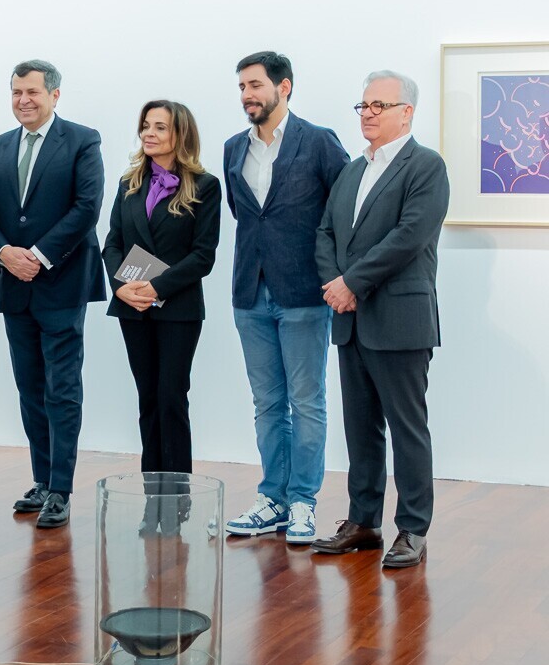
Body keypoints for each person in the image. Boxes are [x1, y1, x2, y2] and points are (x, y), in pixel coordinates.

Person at [313, 71, 449, 568]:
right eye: (363, 105)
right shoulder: (353, 170)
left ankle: (412, 528)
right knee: (360, 428)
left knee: (407, 429)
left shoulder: (426, 166)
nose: (367, 113)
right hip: (351, 320)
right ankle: (364, 522)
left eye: (379, 105)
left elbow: (409, 237)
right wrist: (335, 284)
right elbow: (325, 233)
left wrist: (352, 283)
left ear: (406, 112)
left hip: (399, 319)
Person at [222, 51, 349, 544]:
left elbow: (342, 211)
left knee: (307, 401)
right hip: (250, 293)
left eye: (255, 85)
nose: (247, 95)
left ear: (284, 87)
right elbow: (244, 215)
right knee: (267, 403)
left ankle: (302, 502)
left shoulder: (318, 142)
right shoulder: (234, 148)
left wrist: (339, 275)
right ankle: (272, 498)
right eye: (242, 87)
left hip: (304, 293)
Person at [0, 59, 106, 529]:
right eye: (16, 92)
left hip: (62, 282)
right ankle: (42, 479)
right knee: (30, 387)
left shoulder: (83, 140)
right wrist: (4, 253)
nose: (23, 100)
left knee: (61, 389)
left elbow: (87, 207)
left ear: (54, 95)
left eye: (32, 92)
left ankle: (62, 489)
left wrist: (39, 255)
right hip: (14, 284)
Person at [102, 100, 221, 481]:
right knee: (148, 398)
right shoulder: (129, 183)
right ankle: (151, 488)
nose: (148, 134)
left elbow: (203, 256)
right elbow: (112, 244)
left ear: (180, 134)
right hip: (132, 307)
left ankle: (178, 492)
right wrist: (121, 288)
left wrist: (155, 287)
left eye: (159, 127)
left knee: (171, 397)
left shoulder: (205, 185)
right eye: (145, 126)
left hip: (178, 308)